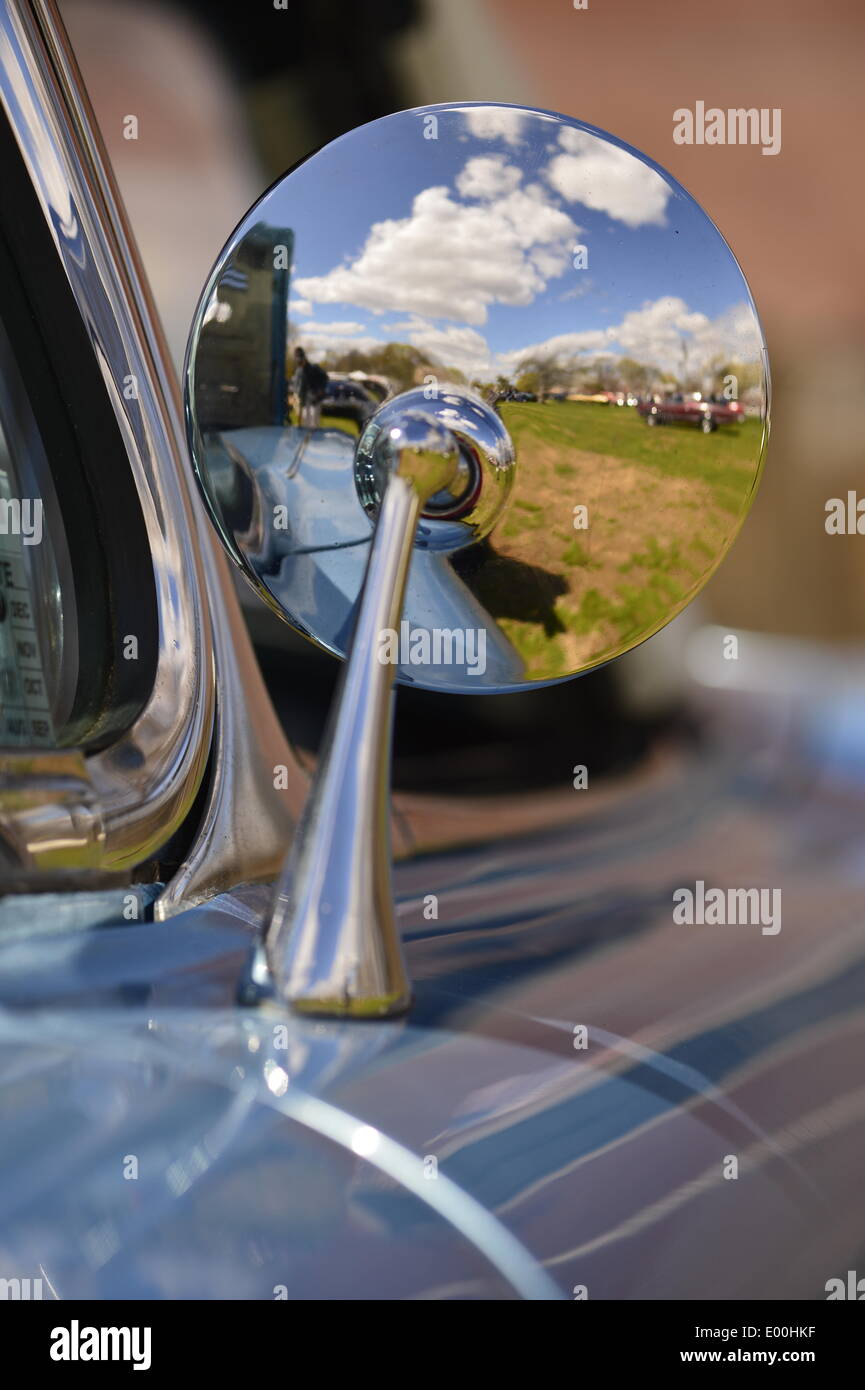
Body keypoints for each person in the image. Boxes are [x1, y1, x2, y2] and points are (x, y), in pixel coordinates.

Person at [291, 346, 328, 429]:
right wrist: (295, 395)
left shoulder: (314, 368)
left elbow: (325, 377)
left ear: (304, 358)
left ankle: (313, 437)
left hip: (315, 399)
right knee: (305, 422)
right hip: (305, 400)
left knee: (314, 423)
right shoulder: (299, 371)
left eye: (300, 357)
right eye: (296, 357)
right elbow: (297, 386)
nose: (298, 360)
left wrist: (321, 389)